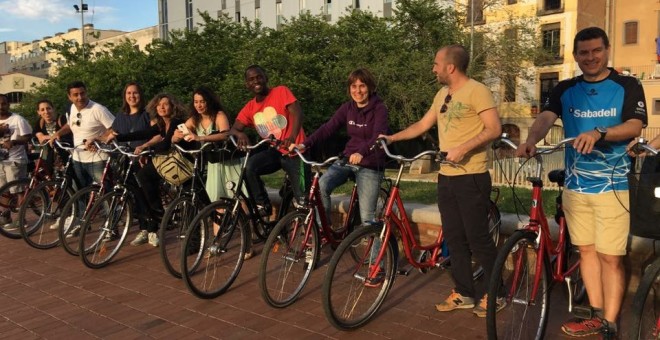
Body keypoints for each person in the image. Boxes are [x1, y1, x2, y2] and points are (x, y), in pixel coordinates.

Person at [516, 27, 647, 337]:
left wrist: (600, 132)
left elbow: (634, 125)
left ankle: (611, 323)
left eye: (596, 51)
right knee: (586, 251)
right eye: (584, 52)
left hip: (612, 186)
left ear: (607, 50)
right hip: (575, 186)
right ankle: (598, 315)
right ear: (575, 56)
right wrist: (531, 139)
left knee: (611, 257)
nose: (590, 57)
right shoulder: (565, 89)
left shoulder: (627, 85)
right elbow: (546, 117)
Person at [380, 45, 502, 316]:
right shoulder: (442, 94)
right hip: (446, 177)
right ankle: (465, 293)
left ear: (450, 67)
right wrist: (392, 137)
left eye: (436, 64)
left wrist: (464, 148)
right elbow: (422, 125)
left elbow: (494, 128)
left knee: (478, 238)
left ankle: (498, 293)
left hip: (471, 177)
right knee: (455, 239)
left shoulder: (477, 90)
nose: (433, 68)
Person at [291, 68, 389, 227]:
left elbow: (378, 136)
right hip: (348, 159)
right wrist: (304, 144)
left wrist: (361, 152)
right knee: (322, 186)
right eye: (354, 86)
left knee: (367, 218)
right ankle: (323, 231)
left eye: (362, 86)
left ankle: (376, 250)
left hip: (371, 163)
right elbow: (327, 128)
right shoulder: (347, 108)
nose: (358, 91)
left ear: (370, 87)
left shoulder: (379, 109)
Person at [173, 86, 253, 259]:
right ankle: (216, 242)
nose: (199, 105)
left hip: (228, 162)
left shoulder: (219, 115)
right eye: (196, 102)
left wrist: (201, 138)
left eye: (202, 101)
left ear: (209, 101)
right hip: (213, 165)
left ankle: (248, 243)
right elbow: (180, 131)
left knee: (239, 200)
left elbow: (225, 135)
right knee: (217, 202)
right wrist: (176, 136)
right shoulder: (195, 119)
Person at [108, 92, 190, 247]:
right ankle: (157, 212)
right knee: (142, 175)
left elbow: (165, 144)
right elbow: (145, 133)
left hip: (184, 164)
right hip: (170, 162)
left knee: (146, 176)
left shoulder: (176, 121)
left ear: (173, 107)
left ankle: (159, 213)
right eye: (159, 105)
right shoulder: (161, 123)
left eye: (165, 104)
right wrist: (119, 137)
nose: (162, 107)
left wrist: (149, 149)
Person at [230, 65, 308, 219]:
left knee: (303, 200)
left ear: (265, 78)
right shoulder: (250, 107)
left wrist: (292, 137)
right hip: (275, 151)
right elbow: (233, 129)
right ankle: (263, 205)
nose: (256, 81)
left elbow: (298, 113)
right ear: (247, 84)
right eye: (251, 79)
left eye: (259, 77)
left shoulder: (281, 91)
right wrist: (240, 134)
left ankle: (311, 231)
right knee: (249, 167)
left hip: (295, 151)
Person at [52, 81, 115, 236]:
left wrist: (98, 139)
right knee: (80, 194)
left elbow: (114, 130)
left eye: (82, 93)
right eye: (76, 95)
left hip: (98, 158)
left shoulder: (98, 109)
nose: (80, 97)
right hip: (78, 158)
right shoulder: (73, 108)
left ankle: (111, 228)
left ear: (86, 92)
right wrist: (58, 133)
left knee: (105, 194)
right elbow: (71, 125)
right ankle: (82, 224)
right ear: (69, 97)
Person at [108, 82, 158, 247]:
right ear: (125, 96)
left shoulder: (148, 114)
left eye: (135, 93)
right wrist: (95, 140)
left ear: (141, 95)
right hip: (126, 162)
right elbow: (111, 134)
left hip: (143, 161)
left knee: (148, 195)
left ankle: (153, 230)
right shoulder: (120, 116)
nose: (132, 96)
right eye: (128, 93)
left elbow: (157, 134)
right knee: (136, 198)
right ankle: (144, 229)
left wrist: (145, 146)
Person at [0, 93, 33, 228]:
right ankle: (5, 216)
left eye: (4, 104)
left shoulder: (18, 119)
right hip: (1, 161)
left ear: (8, 104)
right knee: (3, 190)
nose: (1, 106)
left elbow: (28, 136)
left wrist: (14, 142)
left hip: (15, 160)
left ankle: (21, 218)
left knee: (18, 190)